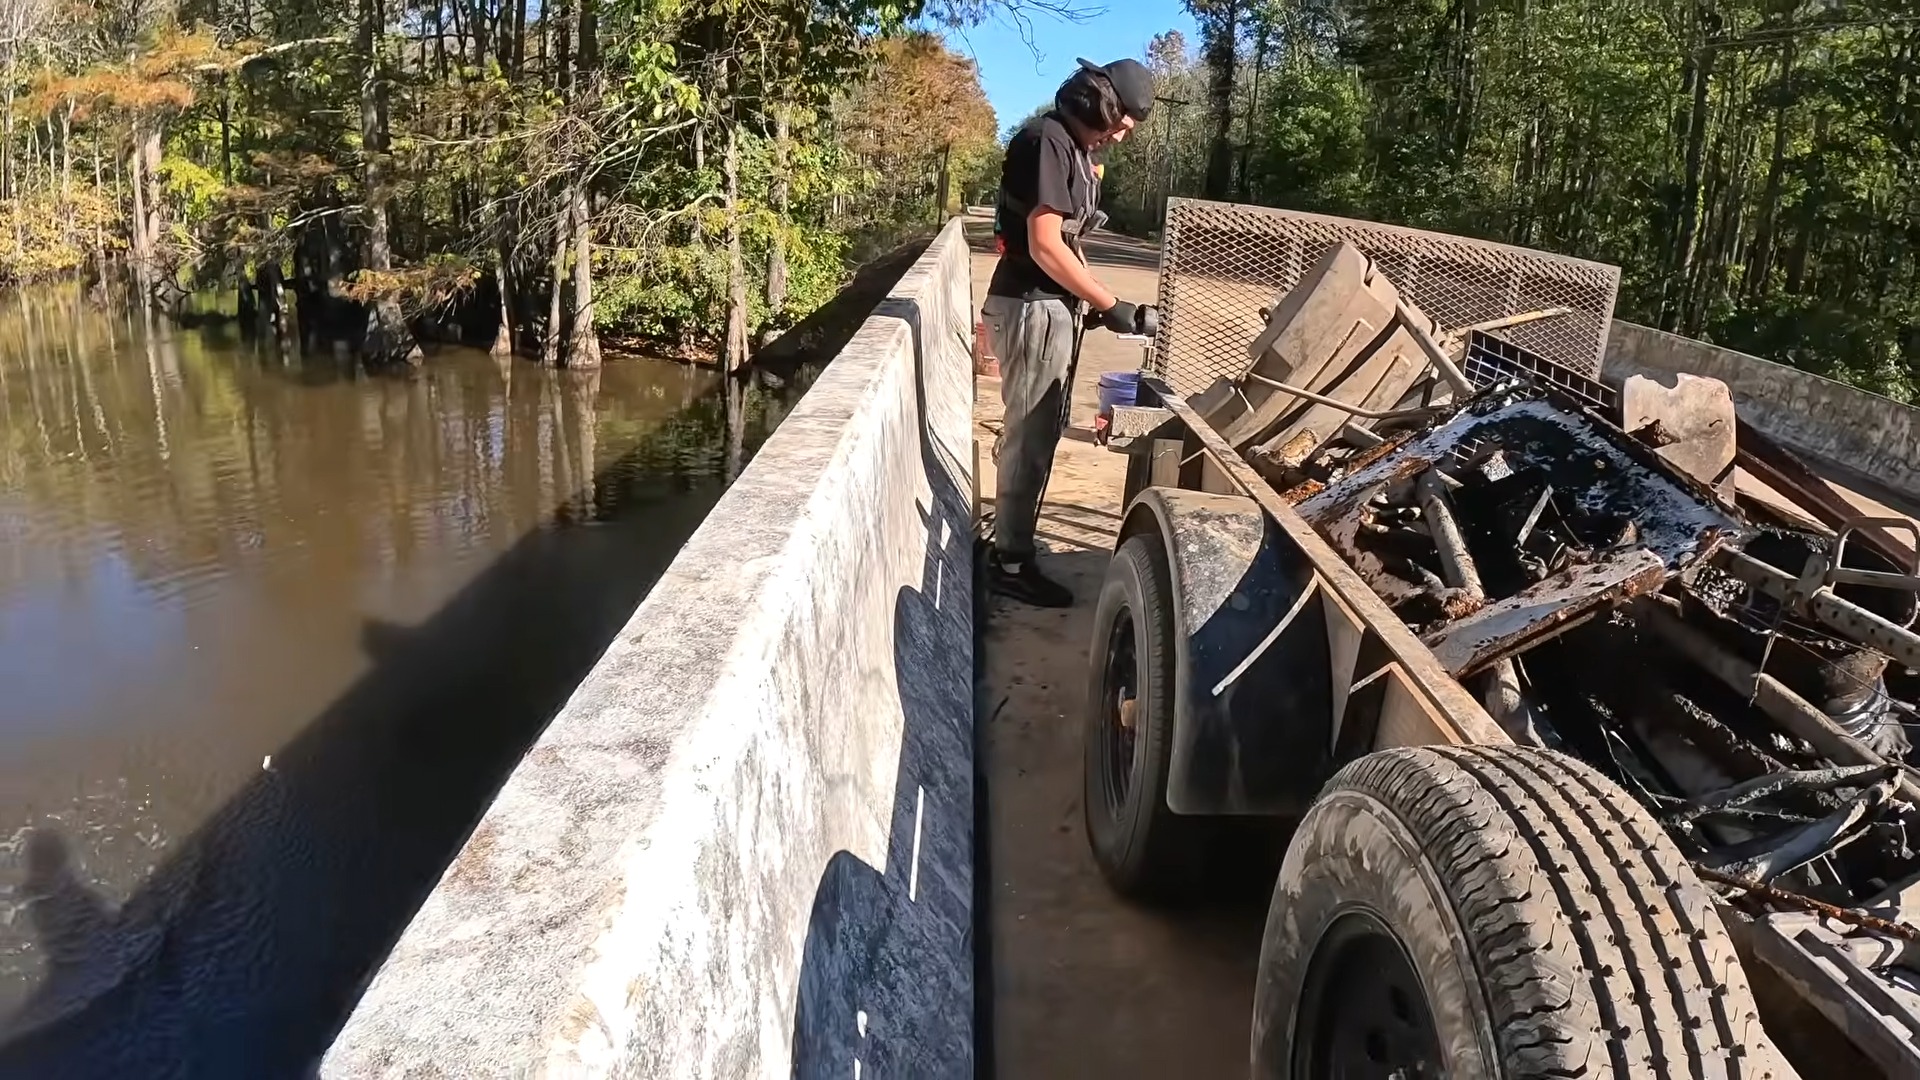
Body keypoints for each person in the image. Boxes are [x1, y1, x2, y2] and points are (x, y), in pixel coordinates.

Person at [982, 57, 1154, 608]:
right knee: (1030, 439)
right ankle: (1008, 561)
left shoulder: (1074, 152)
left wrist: (1095, 303)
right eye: (1123, 120)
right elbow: (1045, 245)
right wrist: (1111, 302)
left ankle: (1014, 542)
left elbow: (1068, 245)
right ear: (1100, 101)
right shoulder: (1046, 140)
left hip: (1051, 306)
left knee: (1041, 432)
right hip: (1031, 306)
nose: (1123, 134)